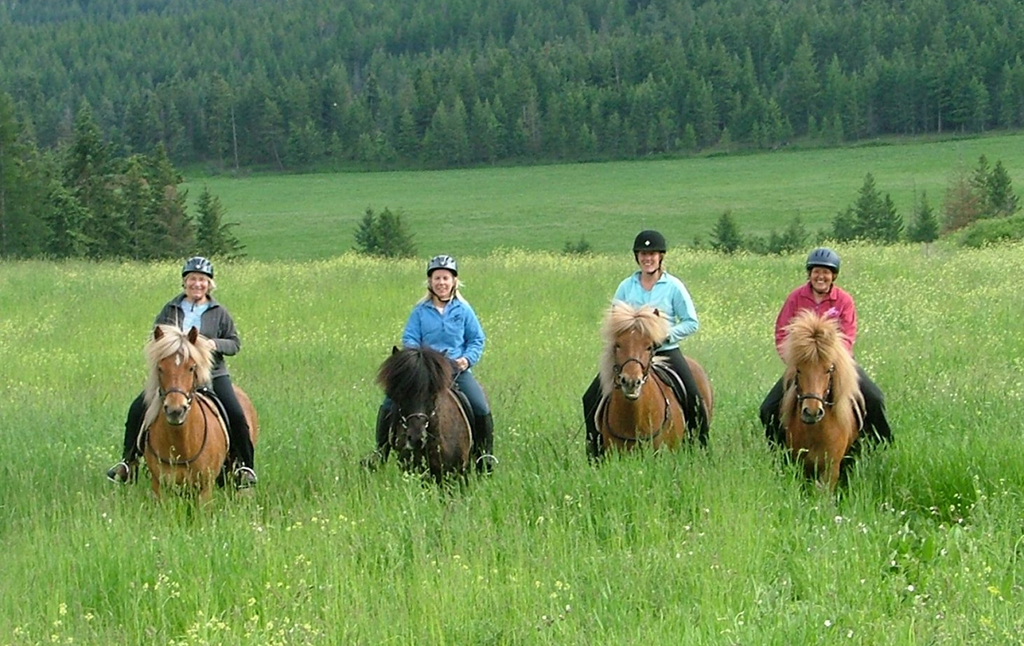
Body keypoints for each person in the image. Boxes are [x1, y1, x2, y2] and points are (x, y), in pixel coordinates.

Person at [105, 256, 258, 488]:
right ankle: (128, 462)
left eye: (202, 280)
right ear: (185, 283)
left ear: (209, 284)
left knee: (236, 413)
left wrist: (214, 344)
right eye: (192, 279)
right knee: (137, 409)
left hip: (211, 374)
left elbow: (235, 344)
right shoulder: (171, 309)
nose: (197, 284)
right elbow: (155, 338)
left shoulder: (219, 312)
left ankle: (244, 467)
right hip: (174, 376)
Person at [582, 230, 709, 459]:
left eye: (652, 254)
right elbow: (614, 322)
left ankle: (699, 446)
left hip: (665, 352)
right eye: (643, 254)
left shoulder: (673, 287)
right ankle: (595, 449)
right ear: (637, 257)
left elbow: (691, 322)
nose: (647, 258)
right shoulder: (626, 287)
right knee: (590, 397)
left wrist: (664, 335)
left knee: (693, 396)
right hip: (630, 355)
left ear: (661, 257)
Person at [364, 254, 496, 472]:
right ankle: (380, 451)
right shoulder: (419, 312)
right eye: (437, 278)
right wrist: (419, 360)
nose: (441, 283)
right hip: (425, 372)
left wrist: (467, 359)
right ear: (430, 282)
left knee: (479, 405)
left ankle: (484, 456)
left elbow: (476, 339)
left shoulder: (463, 310)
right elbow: (410, 339)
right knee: (389, 403)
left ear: (454, 281)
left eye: (445, 278)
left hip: (455, 370)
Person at [759, 247, 892, 447]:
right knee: (767, 408)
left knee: (874, 398)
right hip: (804, 365)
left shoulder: (844, 300)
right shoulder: (796, 298)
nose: (821, 276)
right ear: (810, 274)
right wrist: (794, 360)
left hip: (838, 364)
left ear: (833, 276)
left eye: (826, 272)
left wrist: (833, 360)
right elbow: (781, 332)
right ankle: (780, 451)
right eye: (816, 271)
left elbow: (847, 336)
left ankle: (875, 444)